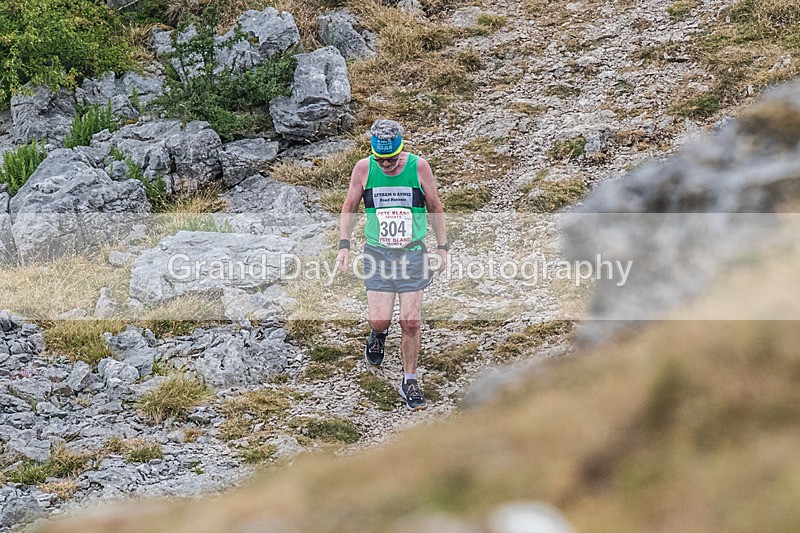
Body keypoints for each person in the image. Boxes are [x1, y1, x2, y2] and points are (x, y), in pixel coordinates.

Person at [336, 119, 448, 411]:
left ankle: (409, 379)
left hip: (413, 254)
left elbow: (435, 206)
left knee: (410, 321)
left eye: (391, 159)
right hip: (377, 254)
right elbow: (349, 206)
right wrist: (344, 246)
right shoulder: (363, 169)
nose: (385, 165)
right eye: (380, 159)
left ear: (401, 150)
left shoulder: (418, 167)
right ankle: (378, 334)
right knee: (381, 320)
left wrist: (442, 247)